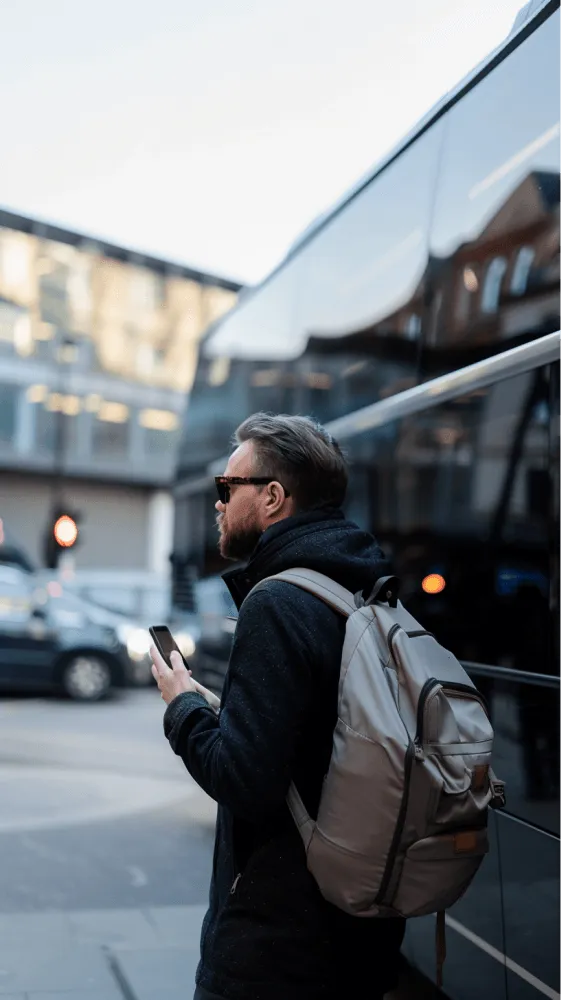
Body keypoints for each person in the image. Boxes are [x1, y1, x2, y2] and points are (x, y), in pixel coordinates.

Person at [150, 413, 406, 1000]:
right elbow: (307, 743)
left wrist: (181, 706)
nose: (217, 503)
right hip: (358, 932)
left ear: (272, 497)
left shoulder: (279, 602)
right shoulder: (361, 588)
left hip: (277, 948)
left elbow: (246, 780)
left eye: (226, 487)